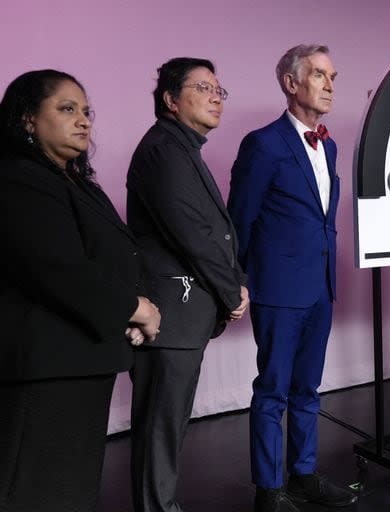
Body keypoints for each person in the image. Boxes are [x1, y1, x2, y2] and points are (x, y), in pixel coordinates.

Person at [0, 70, 160, 512]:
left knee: (69, 489)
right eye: (67, 109)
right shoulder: (19, 177)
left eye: (87, 111)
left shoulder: (79, 185)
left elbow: (118, 256)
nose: (84, 121)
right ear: (28, 119)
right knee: (37, 493)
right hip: (46, 370)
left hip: (82, 360)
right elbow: (59, 268)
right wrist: (136, 309)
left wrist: (128, 314)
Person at [228, 45, 355, 512]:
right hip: (278, 288)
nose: (329, 84)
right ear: (291, 82)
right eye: (320, 74)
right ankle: (269, 489)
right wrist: (235, 279)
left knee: (309, 389)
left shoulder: (332, 144)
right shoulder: (262, 144)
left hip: (321, 286)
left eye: (333, 76)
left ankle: (302, 475)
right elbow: (239, 219)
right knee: (273, 390)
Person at [126, 58, 249, 512]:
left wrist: (233, 281)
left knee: (167, 427)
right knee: (160, 428)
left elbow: (209, 232)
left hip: (185, 314)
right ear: (171, 100)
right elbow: (191, 233)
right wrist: (230, 289)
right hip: (169, 316)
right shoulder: (163, 150)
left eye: (220, 89)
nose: (217, 96)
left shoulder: (181, 148)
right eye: (204, 88)